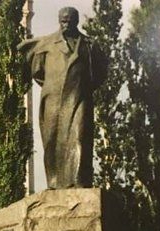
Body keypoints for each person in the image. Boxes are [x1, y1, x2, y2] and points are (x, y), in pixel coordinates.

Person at [18, 7, 107, 189]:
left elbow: (100, 73)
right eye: (62, 21)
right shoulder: (47, 44)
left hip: (80, 98)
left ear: (76, 22)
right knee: (52, 140)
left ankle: (79, 181)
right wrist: (54, 85)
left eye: (69, 21)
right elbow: (37, 72)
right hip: (53, 100)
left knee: (80, 138)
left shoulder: (89, 45)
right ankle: (55, 182)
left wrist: (82, 86)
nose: (65, 24)